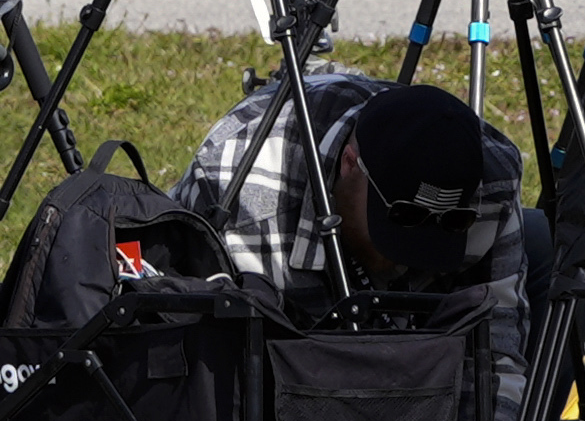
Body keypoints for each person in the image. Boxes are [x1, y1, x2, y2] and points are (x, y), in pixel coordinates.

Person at [179, 68, 530, 325]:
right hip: (279, 343)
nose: (404, 257)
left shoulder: (491, 182)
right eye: (403, 216)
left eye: (451, 222)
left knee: (548, 246)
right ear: (350, 164)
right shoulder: (239, 186)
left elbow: (499, 340)